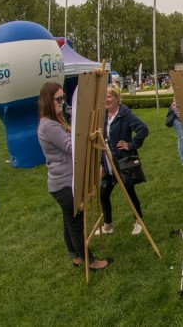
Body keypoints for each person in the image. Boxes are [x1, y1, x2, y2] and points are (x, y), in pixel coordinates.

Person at [37, 82, 112, 270]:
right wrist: (87, 136)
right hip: (63, 183)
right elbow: (73, 147)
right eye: (58, 99)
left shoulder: (55, 121)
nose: (62, 103)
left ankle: (76, 256)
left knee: (68, 221)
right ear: (48, 100)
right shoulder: (49, 126)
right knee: (76, 224)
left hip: (62, 181)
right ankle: (90, 261)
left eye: (63, 98)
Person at [98, 87, 149, 236]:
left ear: (117, 98)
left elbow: (143, 129)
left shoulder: (124, 114)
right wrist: (101, 163)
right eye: (104, 97)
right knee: (103, 194)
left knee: (129, 192)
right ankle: (108, 226)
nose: (106, 99)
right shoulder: (102, 116)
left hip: (122, 162)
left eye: (109, 97)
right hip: (108, 163)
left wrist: (130, 145)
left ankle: (139, 221)